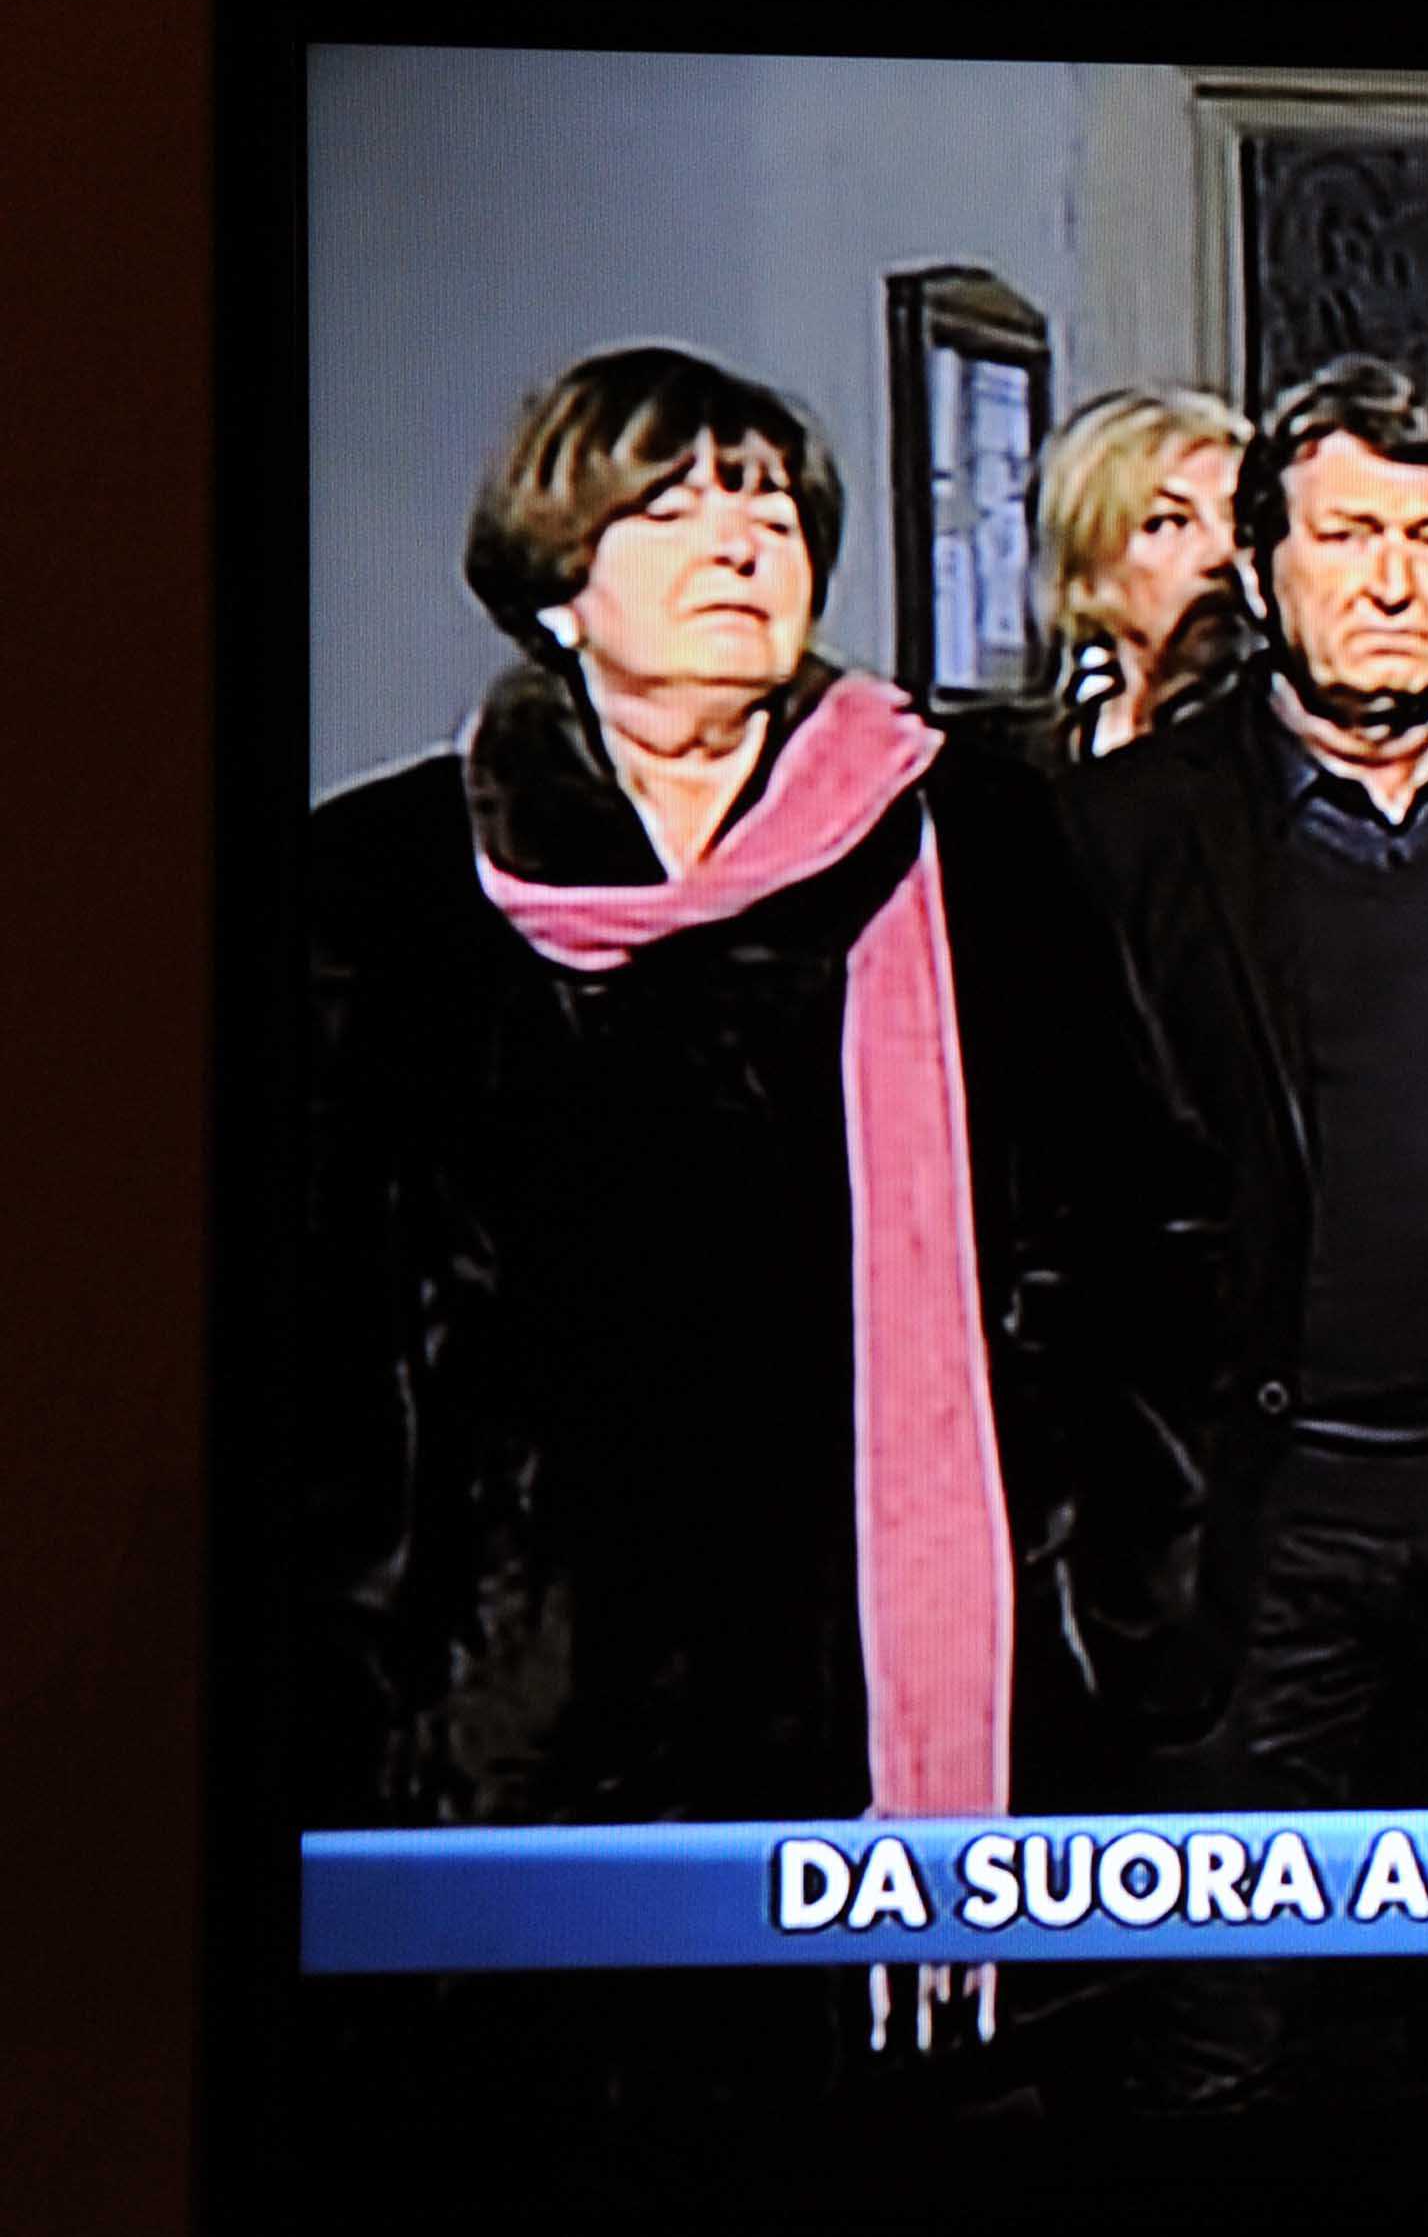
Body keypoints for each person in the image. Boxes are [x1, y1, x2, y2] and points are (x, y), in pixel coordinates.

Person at [301, 344, 1218, 2102]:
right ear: (556, 579)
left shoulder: (967, 835)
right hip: (528, 1729)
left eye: (773, 509)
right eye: (671, 505)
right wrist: (379, 1676)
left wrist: (1111, 1579)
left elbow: (1141, 1231)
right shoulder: (382, 889)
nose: (739, 542)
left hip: (896, 1699)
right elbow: (327, 1334)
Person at [1064, 356, 1428, 2103]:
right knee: (1213, 2027)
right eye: (1346, 536)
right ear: (1263, 568)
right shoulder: (1122, 838)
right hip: (1257, 1520)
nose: (1392, 580)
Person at [984, 383, 1247, 770]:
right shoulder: (1022, 770)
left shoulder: (1289, 759)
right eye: (1168, 522)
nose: (1224, 551)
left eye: (1239, 515)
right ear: (1086, 575)